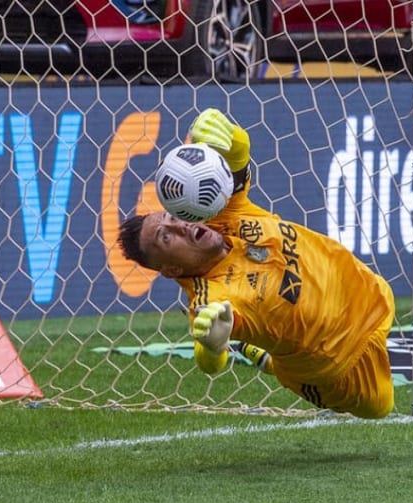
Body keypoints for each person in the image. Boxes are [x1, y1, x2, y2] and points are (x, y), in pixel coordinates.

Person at [117, 109, 396, 419]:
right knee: (380, 407)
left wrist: (225, 132)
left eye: (172, 218)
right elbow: (210, 356)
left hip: (369, 292)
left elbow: (239, 152)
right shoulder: (212, 297)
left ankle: (254, 350)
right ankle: (264, 357)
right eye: (166, 239)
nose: (179, 227)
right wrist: (213, 345)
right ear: (171, 270)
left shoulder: (226, 214)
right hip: (343, 362)